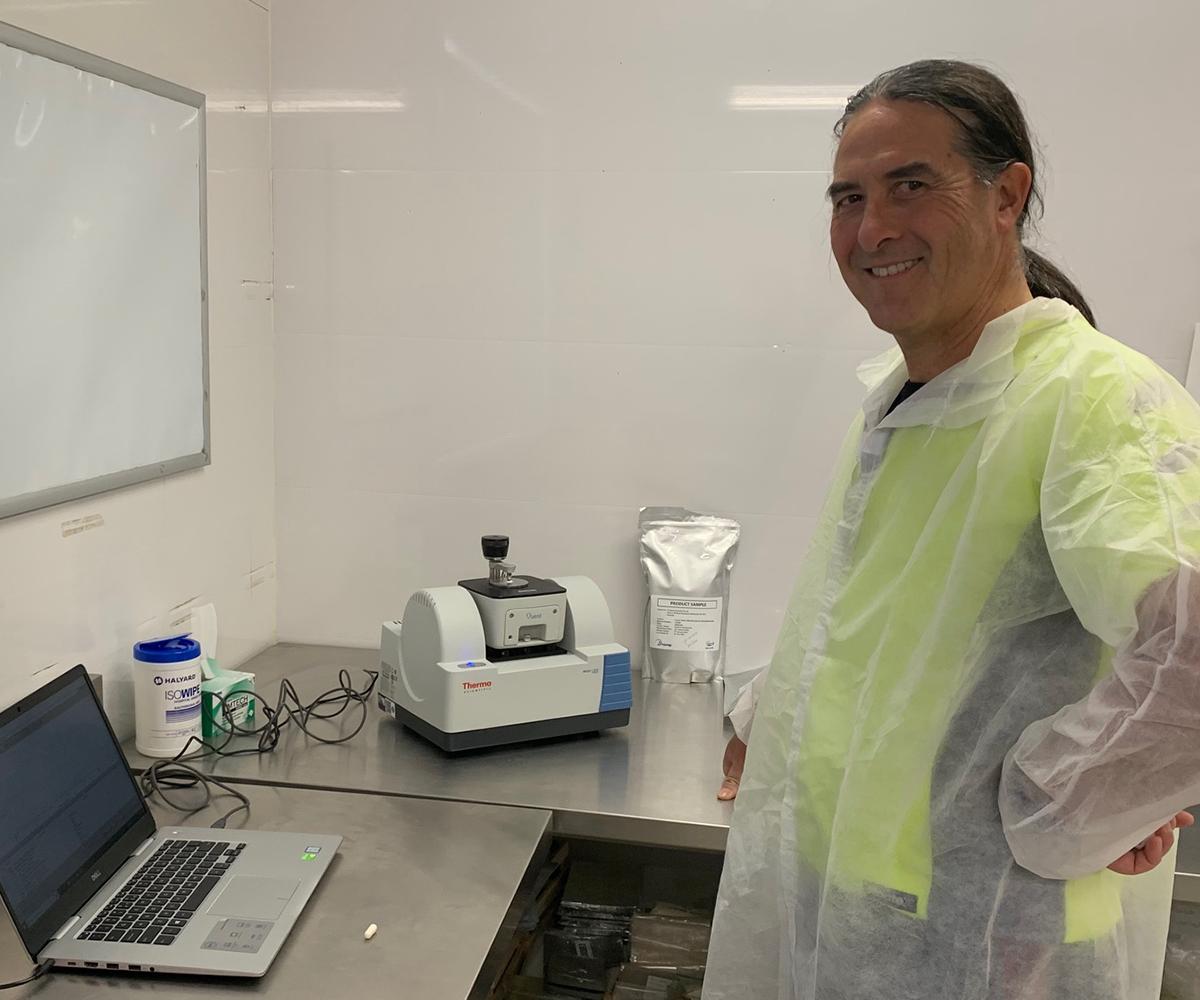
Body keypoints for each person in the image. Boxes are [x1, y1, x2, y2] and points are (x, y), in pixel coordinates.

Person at [703, 59, 1200, 1000]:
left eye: (911, 186)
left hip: (994, 936)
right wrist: (767, 718)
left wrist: (1063, 807)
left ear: (1007, 194)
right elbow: (890, 622)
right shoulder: (911, 402)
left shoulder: (1093, 397)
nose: (872, 228)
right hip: (864, 912)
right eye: (848, 197)